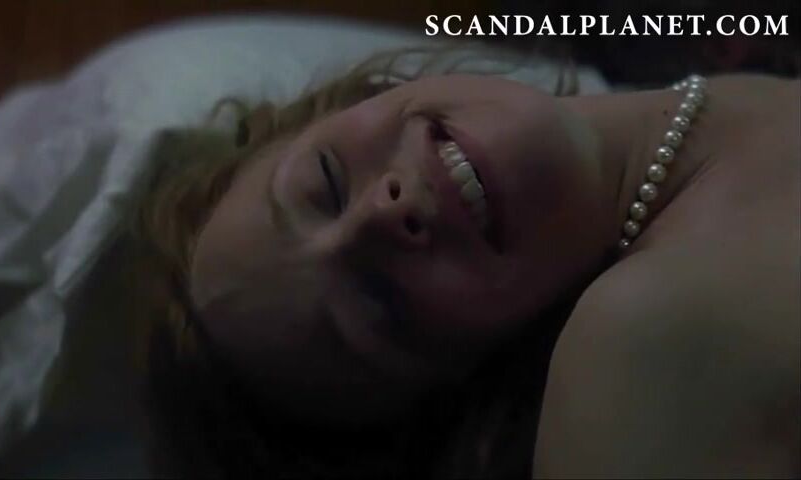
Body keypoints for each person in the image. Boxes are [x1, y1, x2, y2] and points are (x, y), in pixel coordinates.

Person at [103, 49, 799, 478]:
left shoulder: (710, 53)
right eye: (382, 304)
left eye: (327, 184)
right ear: (480, 390)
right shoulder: (643, 359)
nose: (378, 215)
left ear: (358, 100)